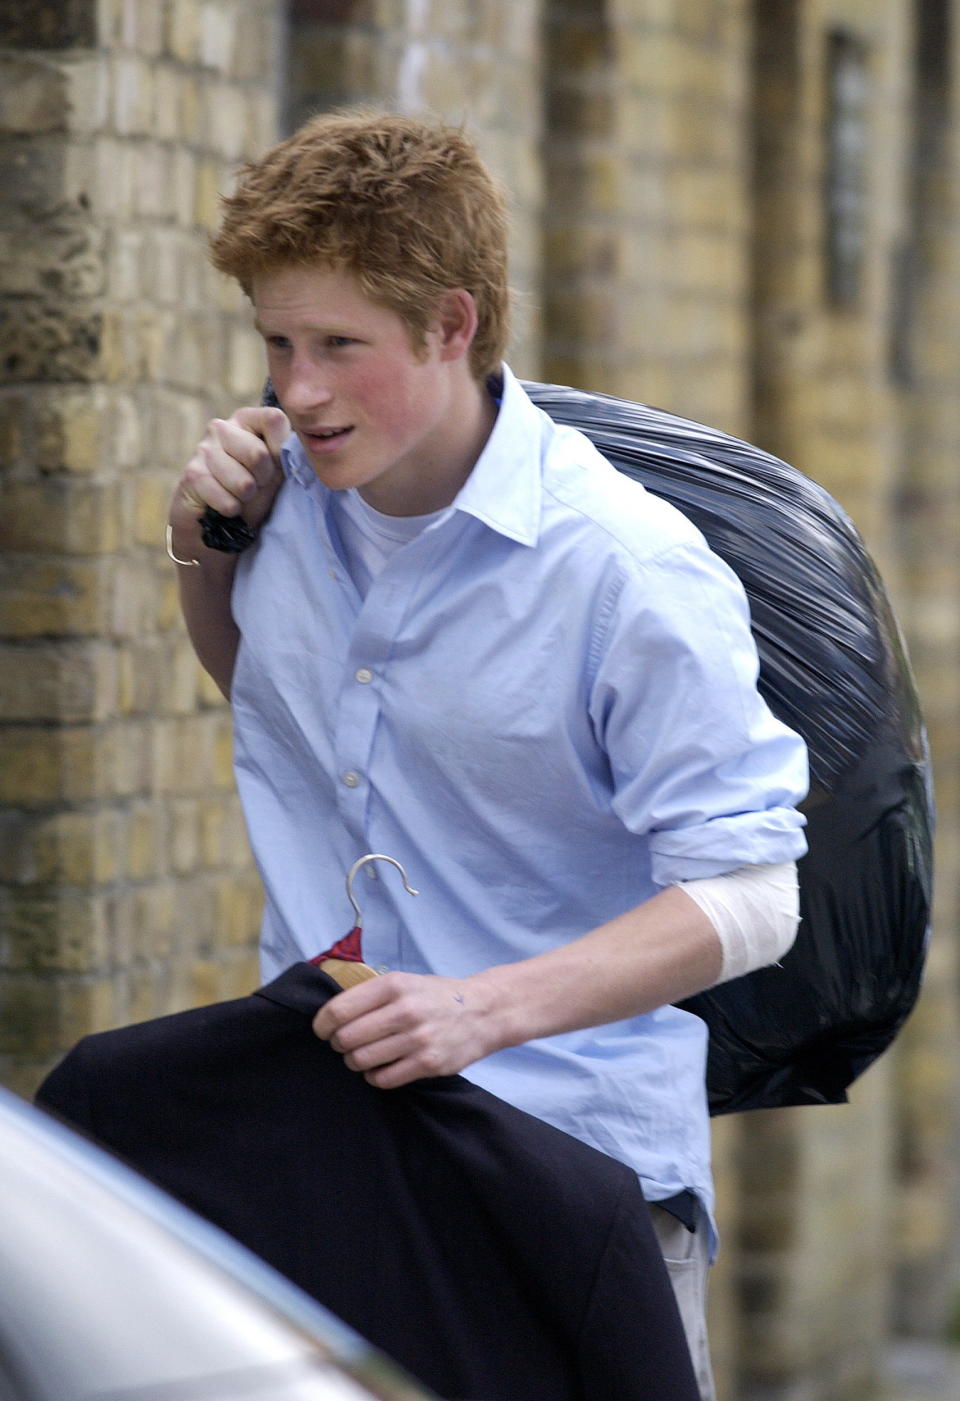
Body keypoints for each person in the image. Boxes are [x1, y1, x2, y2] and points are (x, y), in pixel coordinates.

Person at [167, 108, 809, 1401]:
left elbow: (754, 894)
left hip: (570, 1175)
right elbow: (290, 722)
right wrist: (201, 553)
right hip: (334, 1160)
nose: (297, 389)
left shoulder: (625, 569)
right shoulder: (280, 505)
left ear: (453, 326)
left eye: (339, 345)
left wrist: (480, 1006)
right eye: (278, 343)